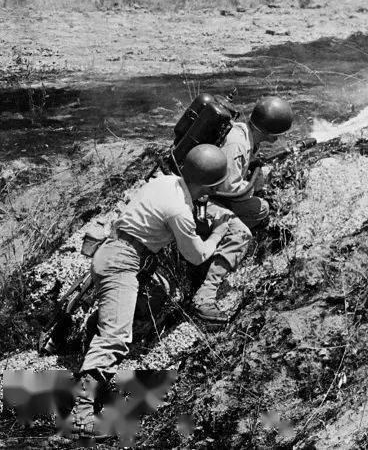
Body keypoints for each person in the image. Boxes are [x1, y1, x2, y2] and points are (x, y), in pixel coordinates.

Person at [70, 144, 233, 439]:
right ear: (209, 185)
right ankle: (81, 415)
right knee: (115, 336)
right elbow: (196, 256)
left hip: (117, 253)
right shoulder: (180, 210)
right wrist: (220, 231)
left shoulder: (164, 181)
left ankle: (98, 356)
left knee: (162, 293)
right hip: (123, 262)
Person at [191, 96, 293, 322]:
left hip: (211, 195)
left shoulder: (246, 137)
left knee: (261, 209)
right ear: (272, 133)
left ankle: (216, 242)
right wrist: (253, 183)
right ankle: (204, 296)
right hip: (200, 199)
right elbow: (228, 188)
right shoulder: (238, 143)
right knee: (241, 234)